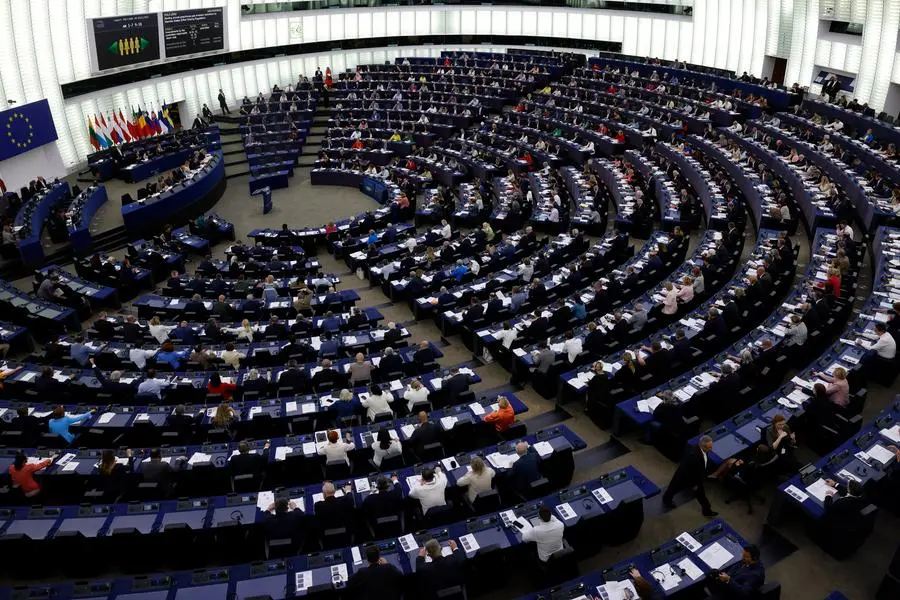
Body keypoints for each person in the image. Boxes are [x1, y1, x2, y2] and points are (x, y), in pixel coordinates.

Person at [662, 435, 724, 516]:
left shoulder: (700, 450)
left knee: (701, 496)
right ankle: (666, 500)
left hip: (693, 476)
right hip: (686, 478)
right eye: (709, 447)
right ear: (703, 446)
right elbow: (688, 471)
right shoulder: (693, 456)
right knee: (674, 489)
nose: (711, 449)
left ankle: (707, 511)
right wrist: (695, 484)